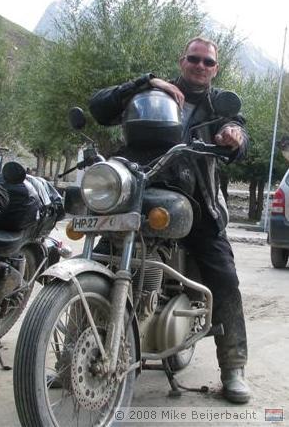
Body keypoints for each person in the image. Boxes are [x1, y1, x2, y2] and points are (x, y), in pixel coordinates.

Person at [89, 36, 250, 404]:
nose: (200, 66)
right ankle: (74, 354)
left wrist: (234, 136)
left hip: (195, 201)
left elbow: (240, 138)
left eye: (208, 62)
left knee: (224, 275)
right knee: (98, 259)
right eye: (194, 59)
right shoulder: (154, 93)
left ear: (215, 69)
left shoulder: (218, 106)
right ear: (182, 61)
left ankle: (234, 367)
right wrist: (145, 81)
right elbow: (100, 108)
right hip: (137, 190)